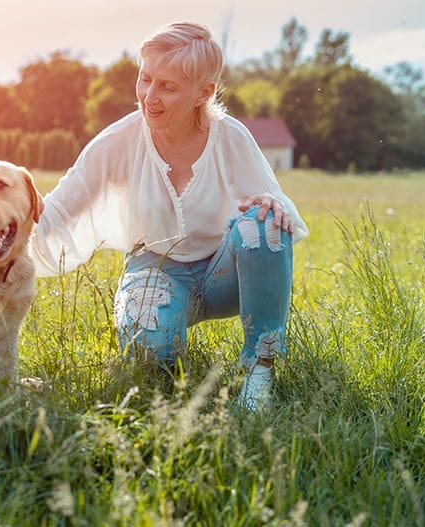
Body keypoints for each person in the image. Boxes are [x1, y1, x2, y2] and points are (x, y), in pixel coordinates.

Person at [29, 21, 309, 411]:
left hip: (222, 274)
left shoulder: (231, 137)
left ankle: (258, 369)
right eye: (145, 79)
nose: (150, 97)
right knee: (152, 359)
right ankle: (167, 345)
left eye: (169, 87)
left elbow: (278, 208)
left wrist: (272, 206)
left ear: (203, 93)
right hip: (156, 270)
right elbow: (55, 212)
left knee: (265, 225)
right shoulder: (117, 142)